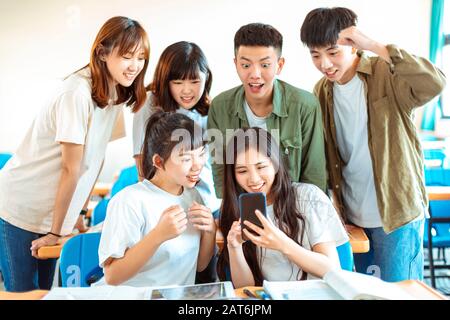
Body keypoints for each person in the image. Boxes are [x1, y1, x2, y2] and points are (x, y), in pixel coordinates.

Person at [0, 16, 150, 292]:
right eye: (128, 56)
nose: (135, 66)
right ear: (103, 53)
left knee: (46, 293)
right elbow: (72, 168)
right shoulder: (76, 94)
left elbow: (96, 158)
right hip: (22, 207)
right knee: (23, 293)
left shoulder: (114, 92)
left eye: (141, 57)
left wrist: (79, 211)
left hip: (55, 212)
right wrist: (57, 231)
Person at [300, 7, 446, 281]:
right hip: (353, 217)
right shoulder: (322, 90)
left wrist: (376, 46)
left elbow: (435, 83)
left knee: (400, 295)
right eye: (315, 55)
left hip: (397, 215)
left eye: (333, 52)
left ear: (354, 45)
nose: (325, 64)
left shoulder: (386, 73)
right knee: (366, 293)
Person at [216, 127, 348, 288]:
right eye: (242, 171)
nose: (254, 179)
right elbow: (245, 289)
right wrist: (234, 248)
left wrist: (282, 243)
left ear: (276, 163)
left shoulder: (308, 197)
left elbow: (332, 269)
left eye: (261, 167)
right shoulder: (235, 209)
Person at [207, 23, 327, 199]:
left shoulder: (305, 105)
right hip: (243, 207)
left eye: (265, 65)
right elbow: (220, 168)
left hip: (293, 209)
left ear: (279, 65)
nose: (255, 74)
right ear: (236, 64)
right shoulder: (220, 106)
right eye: (246, 65)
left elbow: (314, 172)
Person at [98, 112, 216, 287]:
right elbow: (112, 276)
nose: (198, 165)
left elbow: (199, 266)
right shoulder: (130, 200)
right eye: (186, 158)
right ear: (159, 162)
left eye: (201, 154)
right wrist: (158, 235)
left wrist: (210, 231)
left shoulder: (194, 196)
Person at [133, 41, 221, 213]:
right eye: (178, 82)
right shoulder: (149, 104)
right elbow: (142, 163)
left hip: (207, 203)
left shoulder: (211, 111)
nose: (187, 90)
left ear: (206, 78)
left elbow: (217, 166)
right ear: (165, 80)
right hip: (165, 203)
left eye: (195, 81)